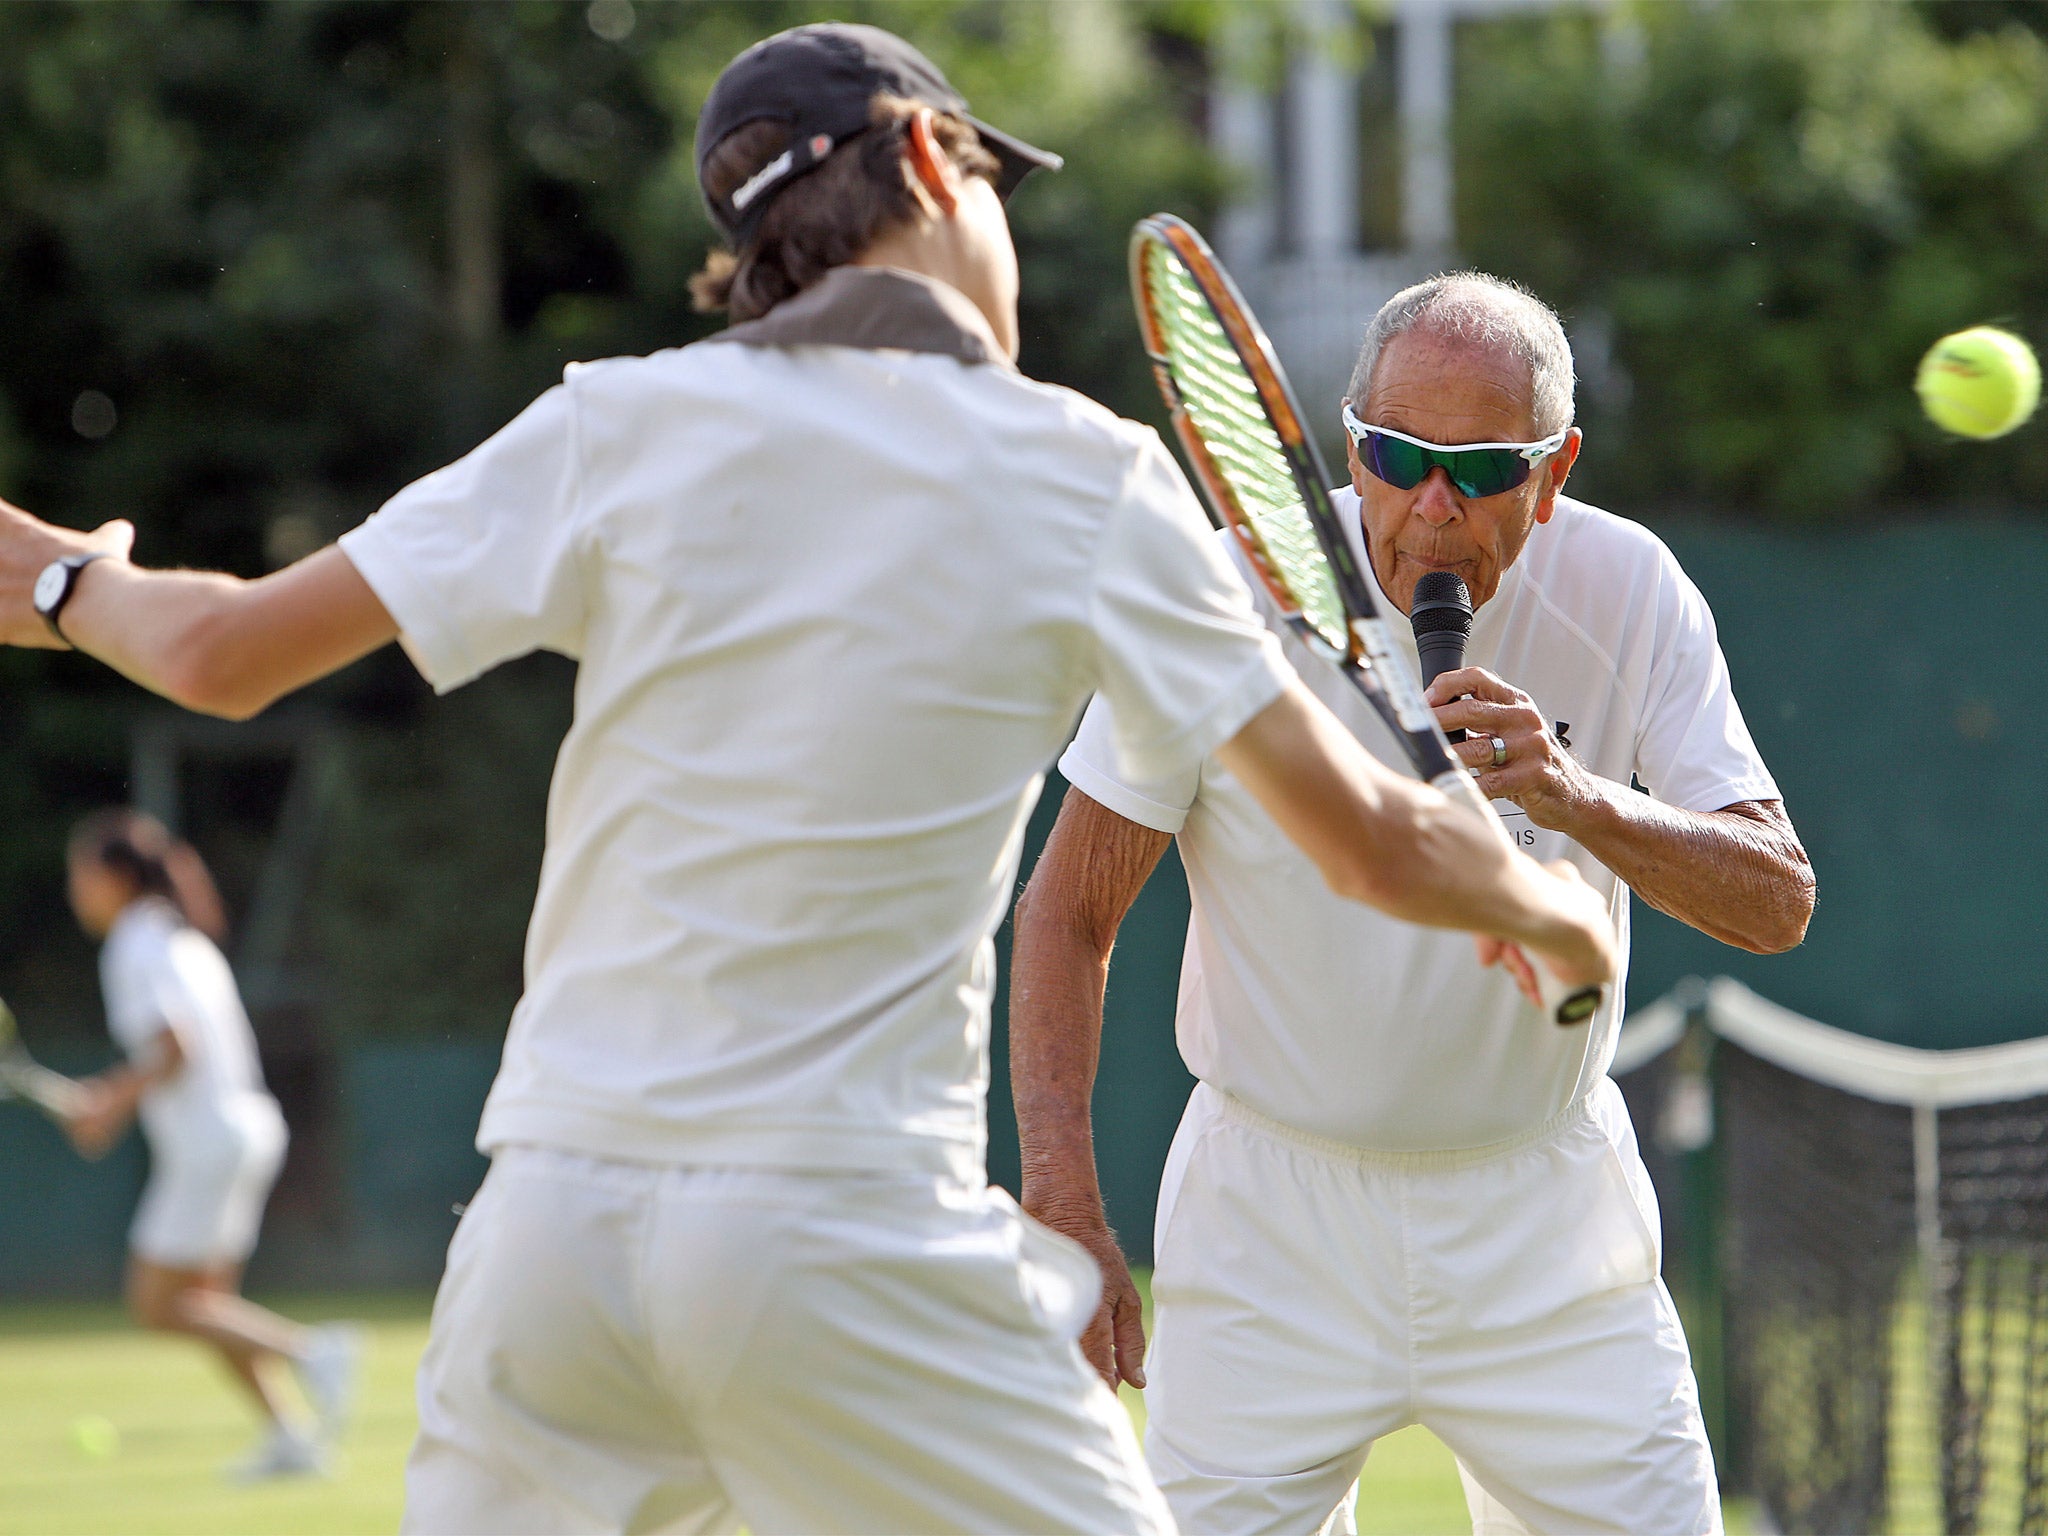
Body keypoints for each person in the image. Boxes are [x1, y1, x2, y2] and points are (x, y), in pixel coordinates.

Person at [0, 26, 1614, 1532]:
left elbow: (215, 652)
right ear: (925, 160)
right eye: (988, 182)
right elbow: (1377, 846)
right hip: (841, 1237)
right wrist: (1554, 915)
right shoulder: (1081, 470)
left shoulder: (614, 422)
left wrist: (67, 582)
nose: (994, 226)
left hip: (546, 1246)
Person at [1013, 272, 1816, 1536]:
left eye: (1484, 470)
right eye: (1397, 456)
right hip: (1267, 1225)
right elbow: (1066, 913)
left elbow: (1776, 900)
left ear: (1552, 474)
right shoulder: (1211, 595)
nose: (1433, 504)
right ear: (1351, 450)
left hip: (1548, 1224)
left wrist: (1573, 796)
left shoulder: (1632, 587)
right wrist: (1063, 1207)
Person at [62, 809, 359, 1481]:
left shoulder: (135, 944)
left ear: (111, 878)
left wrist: (107, 1102)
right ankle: (292, 1437)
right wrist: (115, 1098)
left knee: (158, 1305)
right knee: (209, 1305)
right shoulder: (179, 937)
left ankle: (315, 1353)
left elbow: (174, 1047)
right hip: (245, 1131)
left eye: (78, 875)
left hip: (208, 1144)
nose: (74, 891)